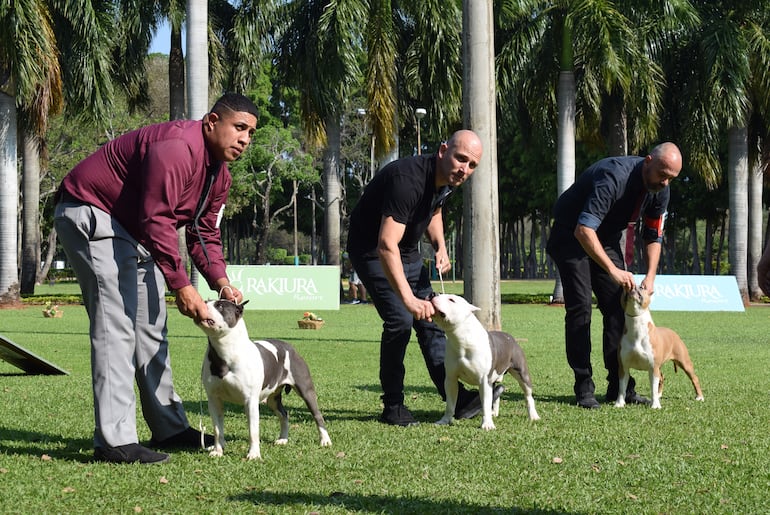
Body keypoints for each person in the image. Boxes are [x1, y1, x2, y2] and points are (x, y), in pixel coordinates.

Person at [53, 93, 257, 463]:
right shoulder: (177, 148)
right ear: (212, 122)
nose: (245, 139)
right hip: (92, 211)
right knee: (117, 325)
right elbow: (157, 217)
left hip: (135, 230)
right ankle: (115, 441)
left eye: (250, 133)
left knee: (150, 326)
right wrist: (181, 284)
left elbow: (203, 232)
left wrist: (220, 281)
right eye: (239, 127)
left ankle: (168, 426)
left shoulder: (219, 176)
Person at [346, 129, 502, 426]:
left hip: (406, 250)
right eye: (460, 159)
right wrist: (409, 300)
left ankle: (456, 400)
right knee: (401, 320)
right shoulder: (408, 180)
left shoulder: (445, 180)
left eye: (472, 165)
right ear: (443, 151)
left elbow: (434, 211)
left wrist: (440, 245)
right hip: (372, 249)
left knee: (434, 321)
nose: (464, 169)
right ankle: (393, 407)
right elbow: (385, 245)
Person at [546, 142, 683, 409]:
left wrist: (651, 276)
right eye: (662, 174)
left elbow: (654, 233)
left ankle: (620, 387)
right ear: (648, 161)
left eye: (671, 178)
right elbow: (583, 230)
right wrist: (613, 269)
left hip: (605, 236)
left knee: (618, 307)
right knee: (580, 308)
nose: (665, 182)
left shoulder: (660, 190)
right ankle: (584, 388)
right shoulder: (614, 177)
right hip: (571, 234)